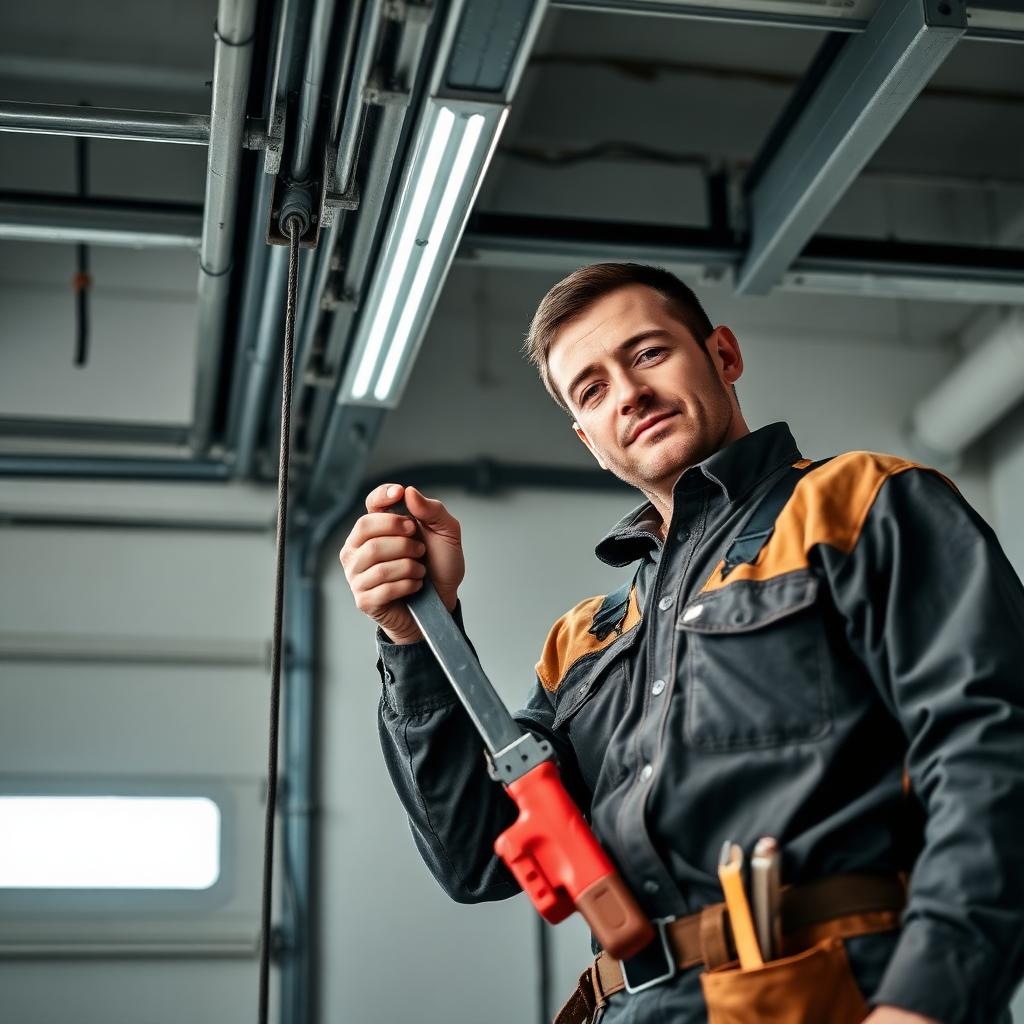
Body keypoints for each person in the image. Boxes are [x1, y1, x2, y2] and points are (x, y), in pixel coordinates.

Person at [338, 262, 1024, 1024]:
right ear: (588, 439)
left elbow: (992, 750)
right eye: (592, 390)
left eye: (647, 353)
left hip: (837, 997)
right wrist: (414, 634)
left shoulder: (861, 504)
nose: (627, 393)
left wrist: (931, 998)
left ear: (723, 356)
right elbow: (477, 856)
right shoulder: (583, 639)